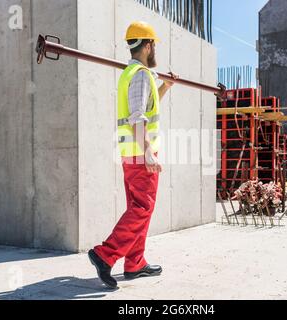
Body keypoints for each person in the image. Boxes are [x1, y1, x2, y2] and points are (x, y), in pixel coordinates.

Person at [88, 21, 177, 289]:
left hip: (132, 154)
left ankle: (135, 263)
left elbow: (146, 106)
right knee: (142, 208)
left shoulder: (135, 74)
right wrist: (149, 152)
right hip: (140, 155)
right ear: (148, 45)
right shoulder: (139, 74)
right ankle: (106, 254)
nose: (154, 49)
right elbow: (138, 116)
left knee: (139, 209)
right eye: (154, 44)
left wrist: (165, 87)